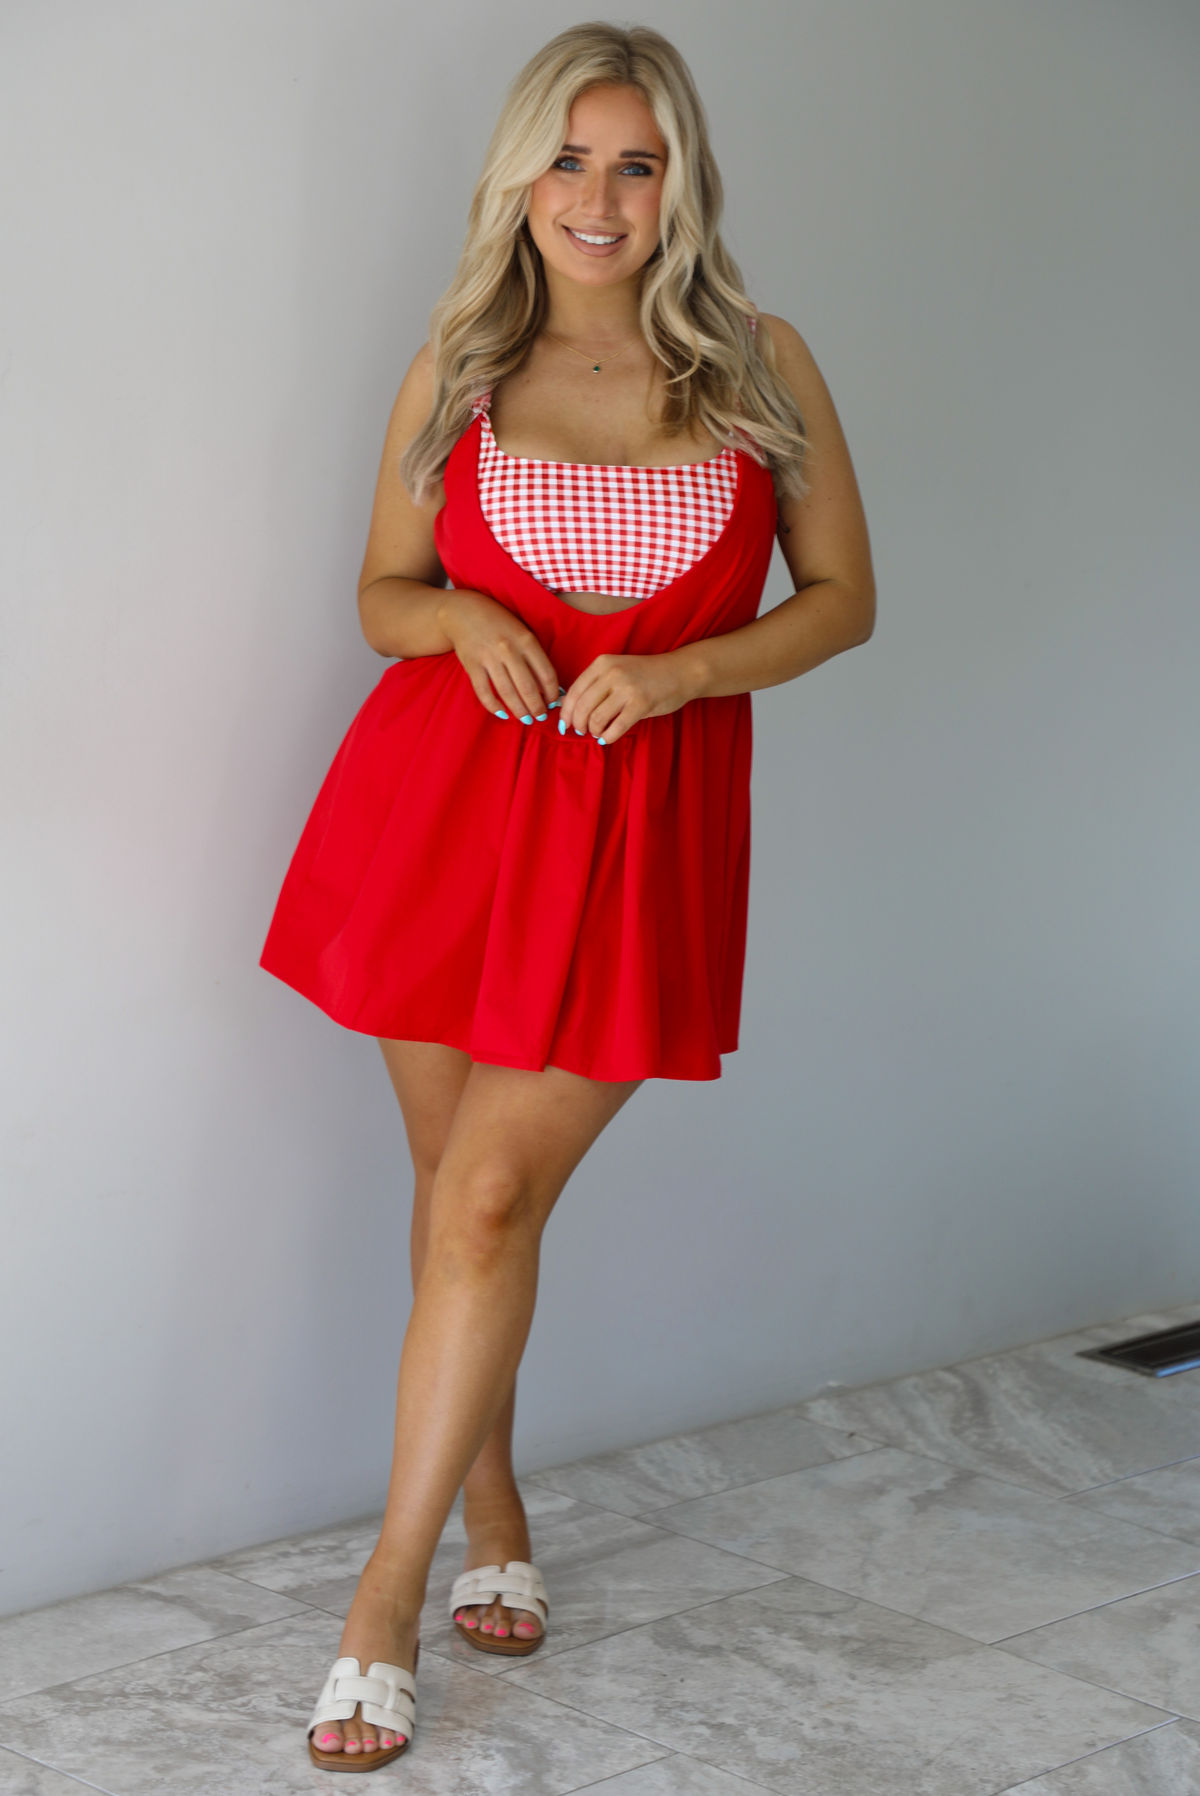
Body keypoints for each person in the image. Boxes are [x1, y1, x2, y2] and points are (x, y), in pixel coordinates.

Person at [261, 20, 874, 1771]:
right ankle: (494, 1506)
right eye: (570, 160)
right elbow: (383, 592)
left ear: (681, 179)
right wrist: (457, 617)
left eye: (637, 161)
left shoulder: (763, 365)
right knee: (463, 1199)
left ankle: (382, 1601)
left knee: (488, 1201)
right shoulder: (458, 361)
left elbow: (840, 599)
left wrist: (684, 677)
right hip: (439, 822)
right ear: (518, 178)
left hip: (637, 841)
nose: (599, 198)